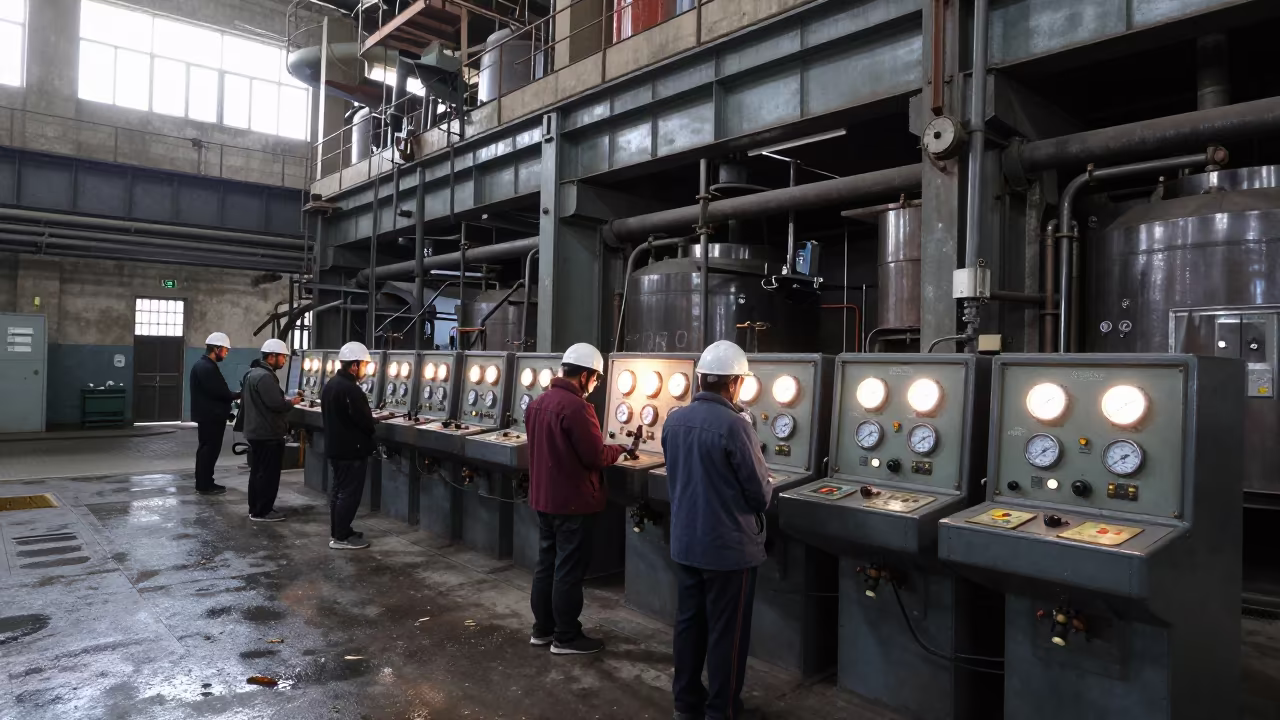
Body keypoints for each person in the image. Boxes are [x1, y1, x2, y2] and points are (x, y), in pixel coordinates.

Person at [662, 340, 771, 720]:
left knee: (689, 626)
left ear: (701, 380)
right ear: (734, 384)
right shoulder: (735, 426)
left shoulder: (674, 419)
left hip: (686, 543)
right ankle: (721, 710)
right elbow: (759, 495)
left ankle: (685, 704)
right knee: (728, 634)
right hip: (728, 551)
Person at [525, 343, 639, 655]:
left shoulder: (537, 403)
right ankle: (566, 637)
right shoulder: (577, 408)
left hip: (544, 499)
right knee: (569, 571)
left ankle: (542, 630)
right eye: (596, 380)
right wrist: (621, 448)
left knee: (546, 565)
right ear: (586, 375)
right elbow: (595, 456)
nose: (595, 386)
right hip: (573, 503)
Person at [321, 341, 378, 550]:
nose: (365, 369)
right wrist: (372, 427)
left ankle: (339, 531)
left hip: (336, 448)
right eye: (363, 364)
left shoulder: (331, 384)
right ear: (354, 366)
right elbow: (365, 422)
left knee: (338, 492)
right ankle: (341, 537)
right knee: (349, 494)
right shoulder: (351, 390)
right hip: (351, 452)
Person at [242, 338, 304, 522]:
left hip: (256, 431)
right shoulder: (265, 377)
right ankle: (263, 511)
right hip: (267, 433)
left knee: (258, 472)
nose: (284, 361)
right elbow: (276, 404)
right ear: (272, 357)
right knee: (268, 475)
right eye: (282, 357)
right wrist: (292, 402)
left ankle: (256, 508)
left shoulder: (252, 374)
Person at [190, 332, 241, 495]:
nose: (226, 354)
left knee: (206, 450)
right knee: (209, 451)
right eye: (225, 350)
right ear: (216, 349)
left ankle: (205, 481)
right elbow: (220, 392)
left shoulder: (202, 365)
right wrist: (239, 394)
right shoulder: (207, 367)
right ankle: (205, 484)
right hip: (211, 416)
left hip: (208, 415)